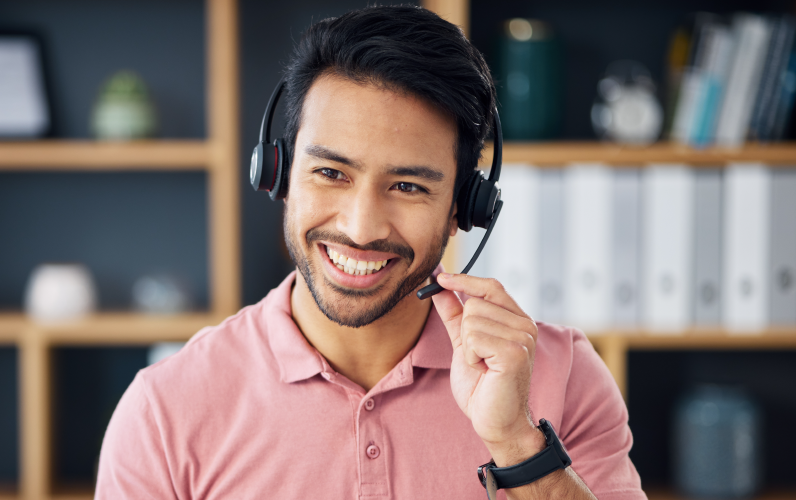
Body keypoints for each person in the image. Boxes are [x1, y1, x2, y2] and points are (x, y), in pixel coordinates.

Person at [96, 6, 645, 499]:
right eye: (331, 173)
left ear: (464, 207)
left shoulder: (564, 376)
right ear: (280, 175)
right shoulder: (164, 409)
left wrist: (518, 444)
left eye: (408, 186)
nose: (361, 228)